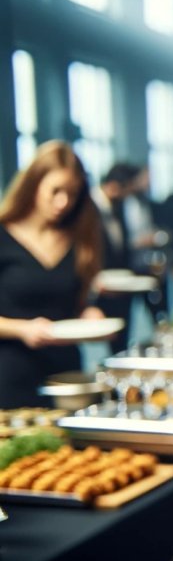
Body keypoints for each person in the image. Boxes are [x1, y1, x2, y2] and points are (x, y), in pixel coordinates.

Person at [0, 142, 105, 407]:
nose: (63, 202)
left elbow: (74, 305)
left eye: (72, 193)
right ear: (33, 183)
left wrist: (88, 315)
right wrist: (22, 329)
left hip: (67, 379)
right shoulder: (3, 235)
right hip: (10, 375)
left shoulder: (81, 239)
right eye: (55, 191)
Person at [92, 162, 140, 352]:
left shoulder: (118, 207)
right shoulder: (89, 208)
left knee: (121, 340)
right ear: (115, 186)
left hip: (122, 284)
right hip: (101, 286)